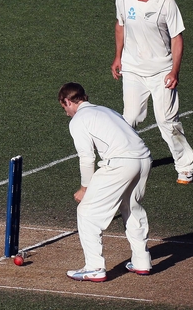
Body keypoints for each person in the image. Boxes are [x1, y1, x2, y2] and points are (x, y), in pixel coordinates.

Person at [111, 0, 193, 184]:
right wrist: (118, 57)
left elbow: (177, 38)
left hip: (161, 72)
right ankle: (126, 162)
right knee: (129, 118)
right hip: (133, 70)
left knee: (167, 121)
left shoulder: (166, 3)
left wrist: (174, 71)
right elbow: (120, 25)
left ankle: (185, 166)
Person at [59, 82, 152, 282]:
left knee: (86, 212)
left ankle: (94, 267)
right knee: (131, 207)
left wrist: (85, 188)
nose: (66, 113)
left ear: (67, 101)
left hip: (120, 164)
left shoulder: (79, 120)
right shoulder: (107, 111)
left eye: (64, 107)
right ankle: (142, 261)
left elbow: (87, 158)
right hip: (144, 159)